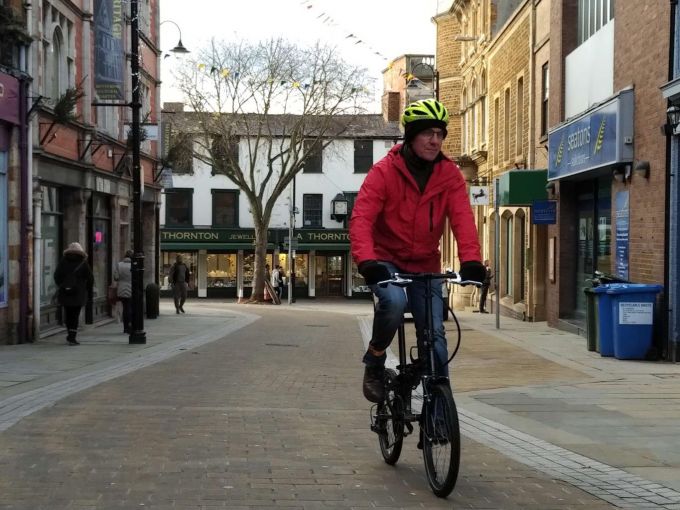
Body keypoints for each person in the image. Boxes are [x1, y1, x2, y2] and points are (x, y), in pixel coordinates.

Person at [349, 98, 486, 403]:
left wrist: (471, 260)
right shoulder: (384, 172)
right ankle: (375, 359)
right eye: (427, 133)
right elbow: (362, 219)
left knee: (436, 338)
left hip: (425, 262)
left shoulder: (449, 174)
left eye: (439, 134)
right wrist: (368, 261)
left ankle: (439, 408)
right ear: (411, 136)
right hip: (385, 259)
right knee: (394, 303)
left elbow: (462, 218)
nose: (435, 140)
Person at [54, 242, 94, 346]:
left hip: (65, 292)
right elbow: (90, 278)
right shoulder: (83, 263)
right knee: (75, 315)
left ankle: (69, 334)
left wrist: (63, 285)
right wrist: (86, 289)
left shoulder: (63, 262)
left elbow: (56, 276)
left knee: (68, 314)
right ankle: (72, 337)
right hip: (78, 293)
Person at [114, 250, 133, 333]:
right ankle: (130, 325)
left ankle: (125, 327)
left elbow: (116, 277)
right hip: (131, 288)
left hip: (121, 288)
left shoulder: (119, 265)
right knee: (130, 308)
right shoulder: (134, 265)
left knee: (125, 307)